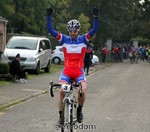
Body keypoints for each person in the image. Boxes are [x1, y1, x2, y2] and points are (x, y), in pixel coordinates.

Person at [46, 6, 99, 123]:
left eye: (75, 30)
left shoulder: (84, 39)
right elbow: (50, 30)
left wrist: (96, 17)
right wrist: (49, 16)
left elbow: (94, 29)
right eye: (71, 30)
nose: (73, 33)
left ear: (78, 30)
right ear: (68, 30)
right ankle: (61, 116)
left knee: (82, 91)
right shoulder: (63, 39)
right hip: (67, 70)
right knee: (61, 91)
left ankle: (79, 110)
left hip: (79, 71)